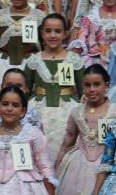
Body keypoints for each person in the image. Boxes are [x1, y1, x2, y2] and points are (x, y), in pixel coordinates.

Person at [54, 65, 116, 195]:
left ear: (106, 85)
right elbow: (67, 142)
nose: (92, 90)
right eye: (87, 85)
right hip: (77, 166)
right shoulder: (76, 111)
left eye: (97, 84)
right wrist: (54, 172)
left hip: (107, 166)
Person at [24, 13, 86, 160]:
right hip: (39, 109)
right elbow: (24, 90)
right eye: (48, 31)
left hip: (67, 110)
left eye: (57, 31)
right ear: (41, 33)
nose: (52, 36)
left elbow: (83, 91)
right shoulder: (34, 60)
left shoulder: (73, 59)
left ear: (65, 34)